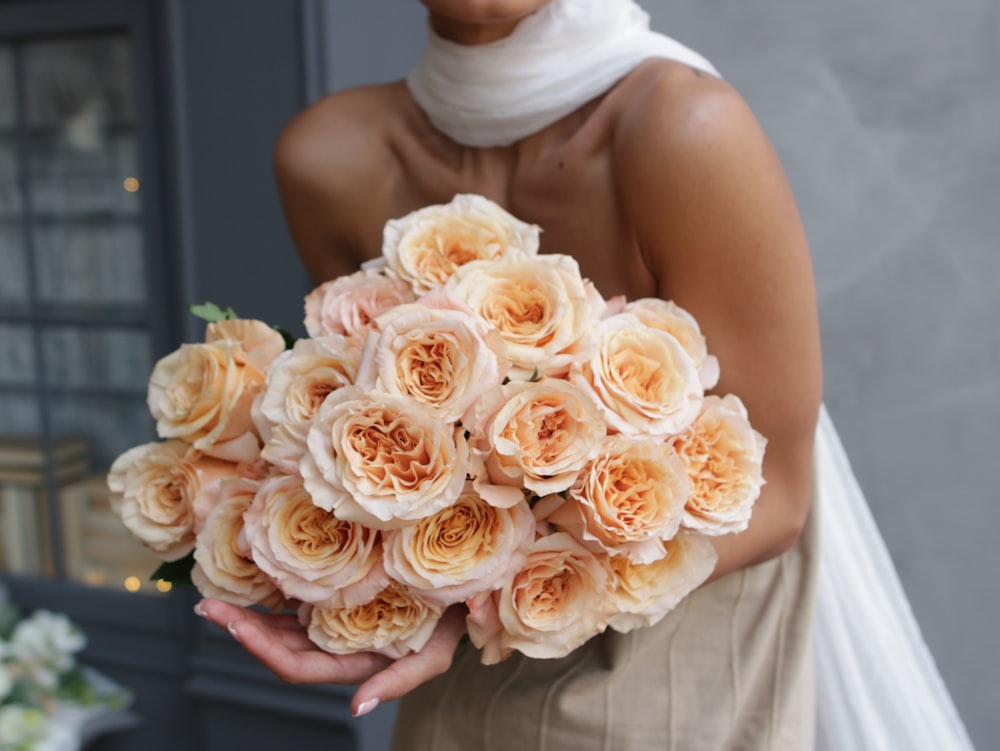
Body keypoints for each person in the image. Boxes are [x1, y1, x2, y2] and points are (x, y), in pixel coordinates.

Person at [198, 2, 974, 749]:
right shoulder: (327, 155)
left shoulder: (684, 127)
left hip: (675, 662)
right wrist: (360, 582)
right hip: (463, 657)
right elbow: (359, 427)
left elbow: (779, 498)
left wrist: (468, 607)